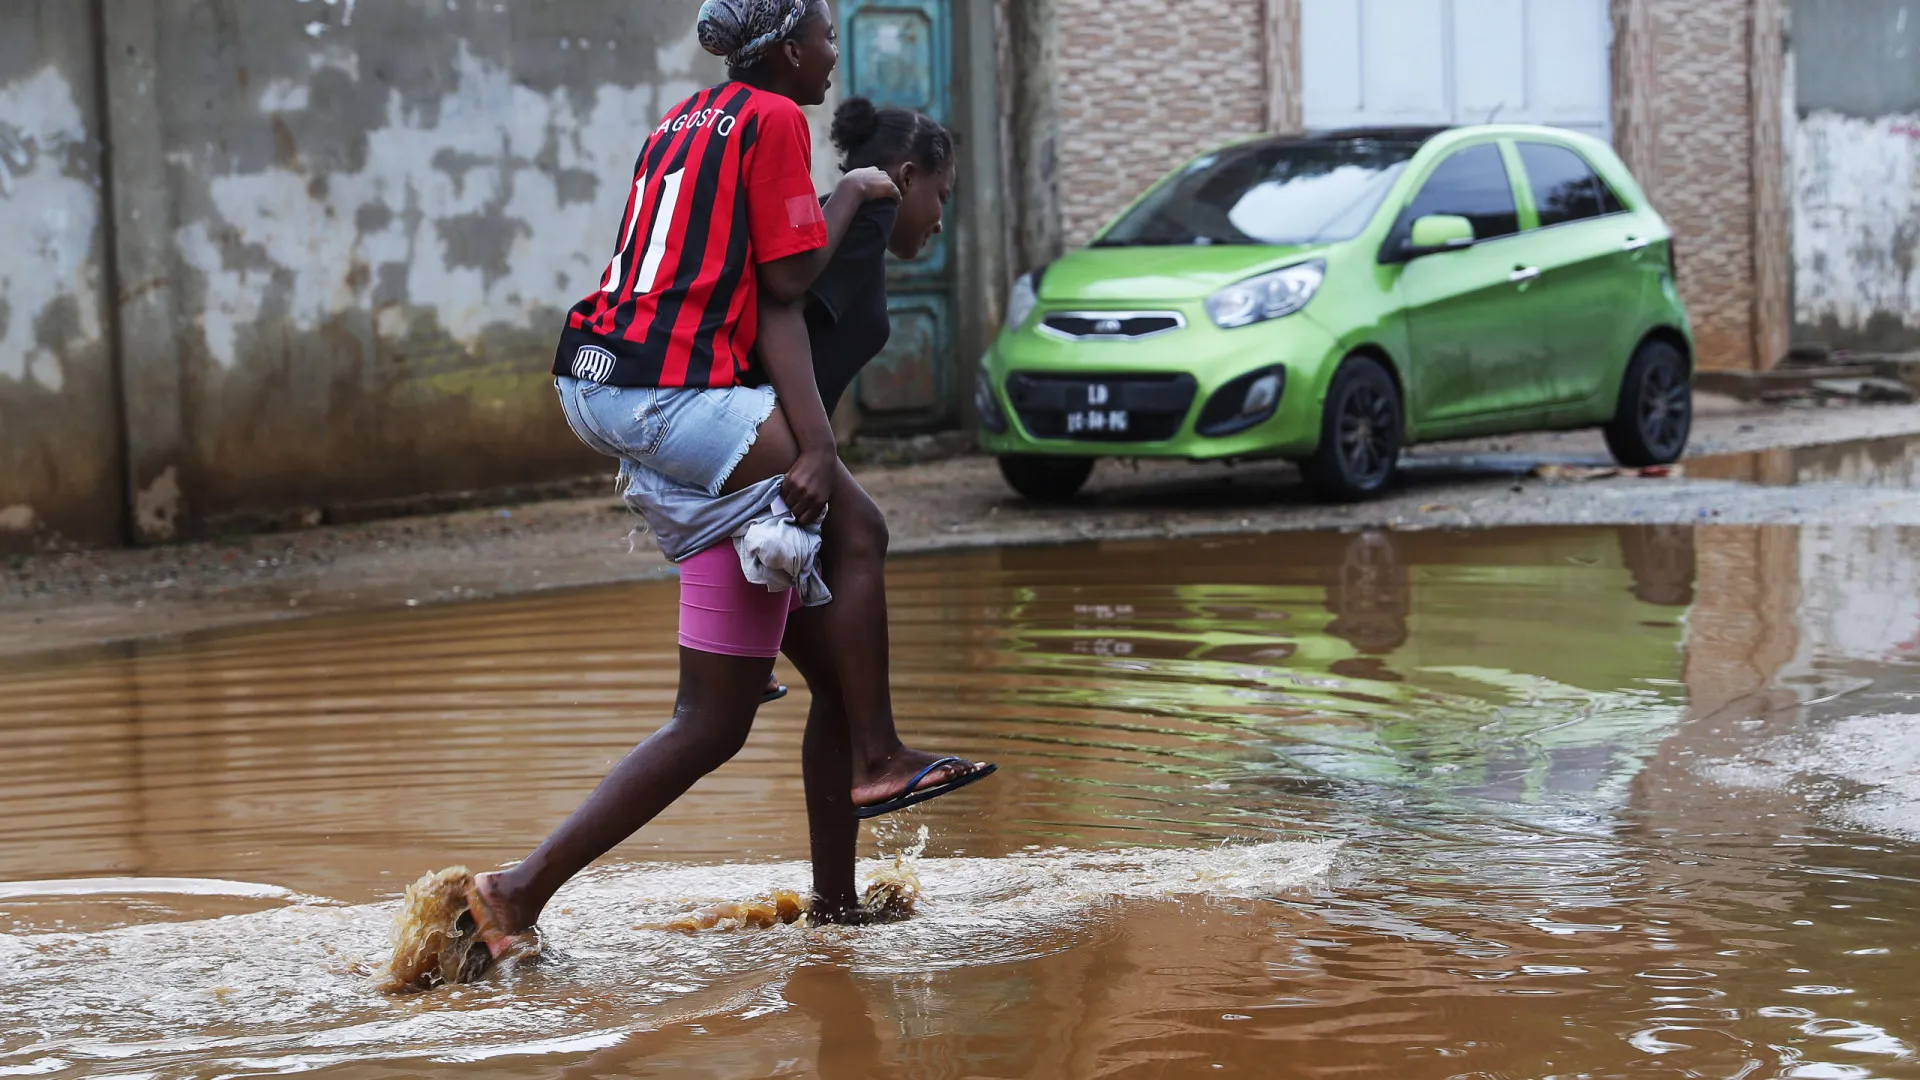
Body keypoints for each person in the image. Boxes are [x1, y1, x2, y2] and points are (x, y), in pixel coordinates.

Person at [432, 0, 988, 975]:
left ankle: (513, 896)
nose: (830, 55)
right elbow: (782, 298)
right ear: (783, 45)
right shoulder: (775, 121)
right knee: (860, 530)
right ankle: (877, 762)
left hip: (604, 379)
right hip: (672, 393)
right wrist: (814, 447)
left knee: (719, 717)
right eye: (820, 33)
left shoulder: (682, 121)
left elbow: (736, 278)